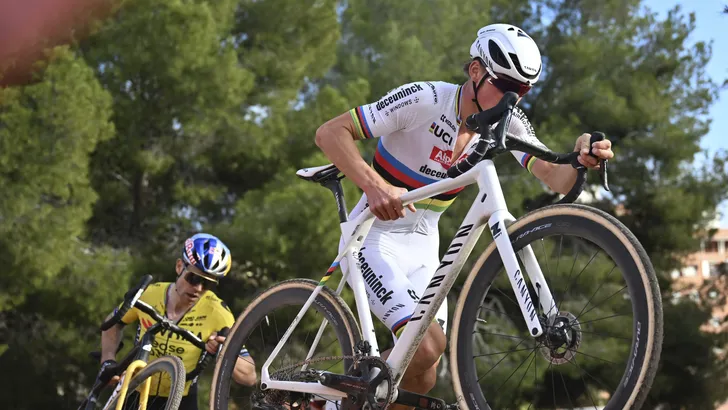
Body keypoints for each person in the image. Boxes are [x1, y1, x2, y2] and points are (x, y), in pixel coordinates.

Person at [314, 23, 614, 407]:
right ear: (475, 71)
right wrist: (374, 185)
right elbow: (329, 132)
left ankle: (337, 399)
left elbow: (555, 176)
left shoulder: (508, 122)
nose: (512, 99)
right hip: (375, 237)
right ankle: (328, 403)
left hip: (424, 248)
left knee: (420, 376)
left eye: (521, 91)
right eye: (504, 85)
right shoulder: (425, 99)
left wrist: (581, 156)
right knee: (423, 348)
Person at [97, 233, 256, 410]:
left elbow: (249, 376)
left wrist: (224, 352)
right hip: (135, 389)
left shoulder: (219, 313)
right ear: (179, 266)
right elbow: (112, 323)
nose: (198, 288)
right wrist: (108, 360)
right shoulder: (150, 294)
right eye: (194, 278)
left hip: (181, 398)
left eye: (207, 283)